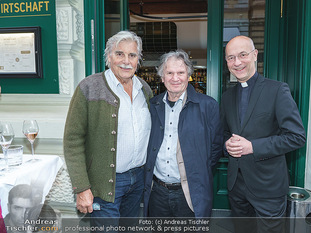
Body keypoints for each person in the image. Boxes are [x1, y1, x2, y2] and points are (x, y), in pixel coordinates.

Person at [63, 30, 153, 229]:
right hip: (105, 185)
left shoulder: (144, 89)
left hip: (137, 180)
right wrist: (82, 187)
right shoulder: (89, 87)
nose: (126, 61)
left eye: (132, 55)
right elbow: (72, 141)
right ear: (109, 57)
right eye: (119, 54)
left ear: (139, 59)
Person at [220, 35, 306, 233]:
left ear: (255, 55)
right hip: (236, 186)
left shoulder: (277, 90)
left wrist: (252, 147)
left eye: (242, 55)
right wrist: (227, 145)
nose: (237, 62)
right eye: (231, 58)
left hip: (268, 186)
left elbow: (296, 136)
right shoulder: (227, 97)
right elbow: (225, 133)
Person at [143, 49, 223, 218]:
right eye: (169, 73)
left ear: (188, 75)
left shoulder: (208, 106)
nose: (175, 78)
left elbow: (216, 147)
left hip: (189, 193)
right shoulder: (153, 105)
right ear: (162, 77)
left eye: (180, 72)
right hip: (157, 192)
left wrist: (198, 171)